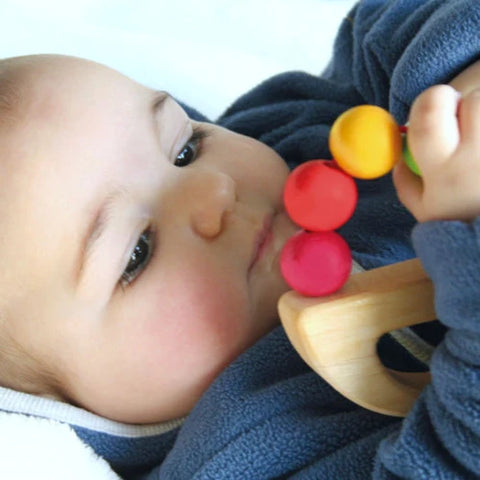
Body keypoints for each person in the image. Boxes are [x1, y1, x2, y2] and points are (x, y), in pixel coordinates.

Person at [0, 0, 479, 479]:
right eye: (137, 253)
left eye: (185, 148)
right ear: (54, 411)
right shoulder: (238, 455)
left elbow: (377, 35)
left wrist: (453, 79)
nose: (216, 191)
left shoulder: (290, 142)